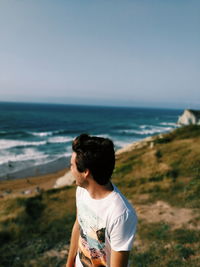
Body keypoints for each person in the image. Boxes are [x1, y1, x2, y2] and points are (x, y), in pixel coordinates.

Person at [66, 134, 137, 267]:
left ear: (85, 172)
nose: (70, 169)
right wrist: (69, 263)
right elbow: (78, 225)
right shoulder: (81, 190)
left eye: (71, 166)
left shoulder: (121, 214)